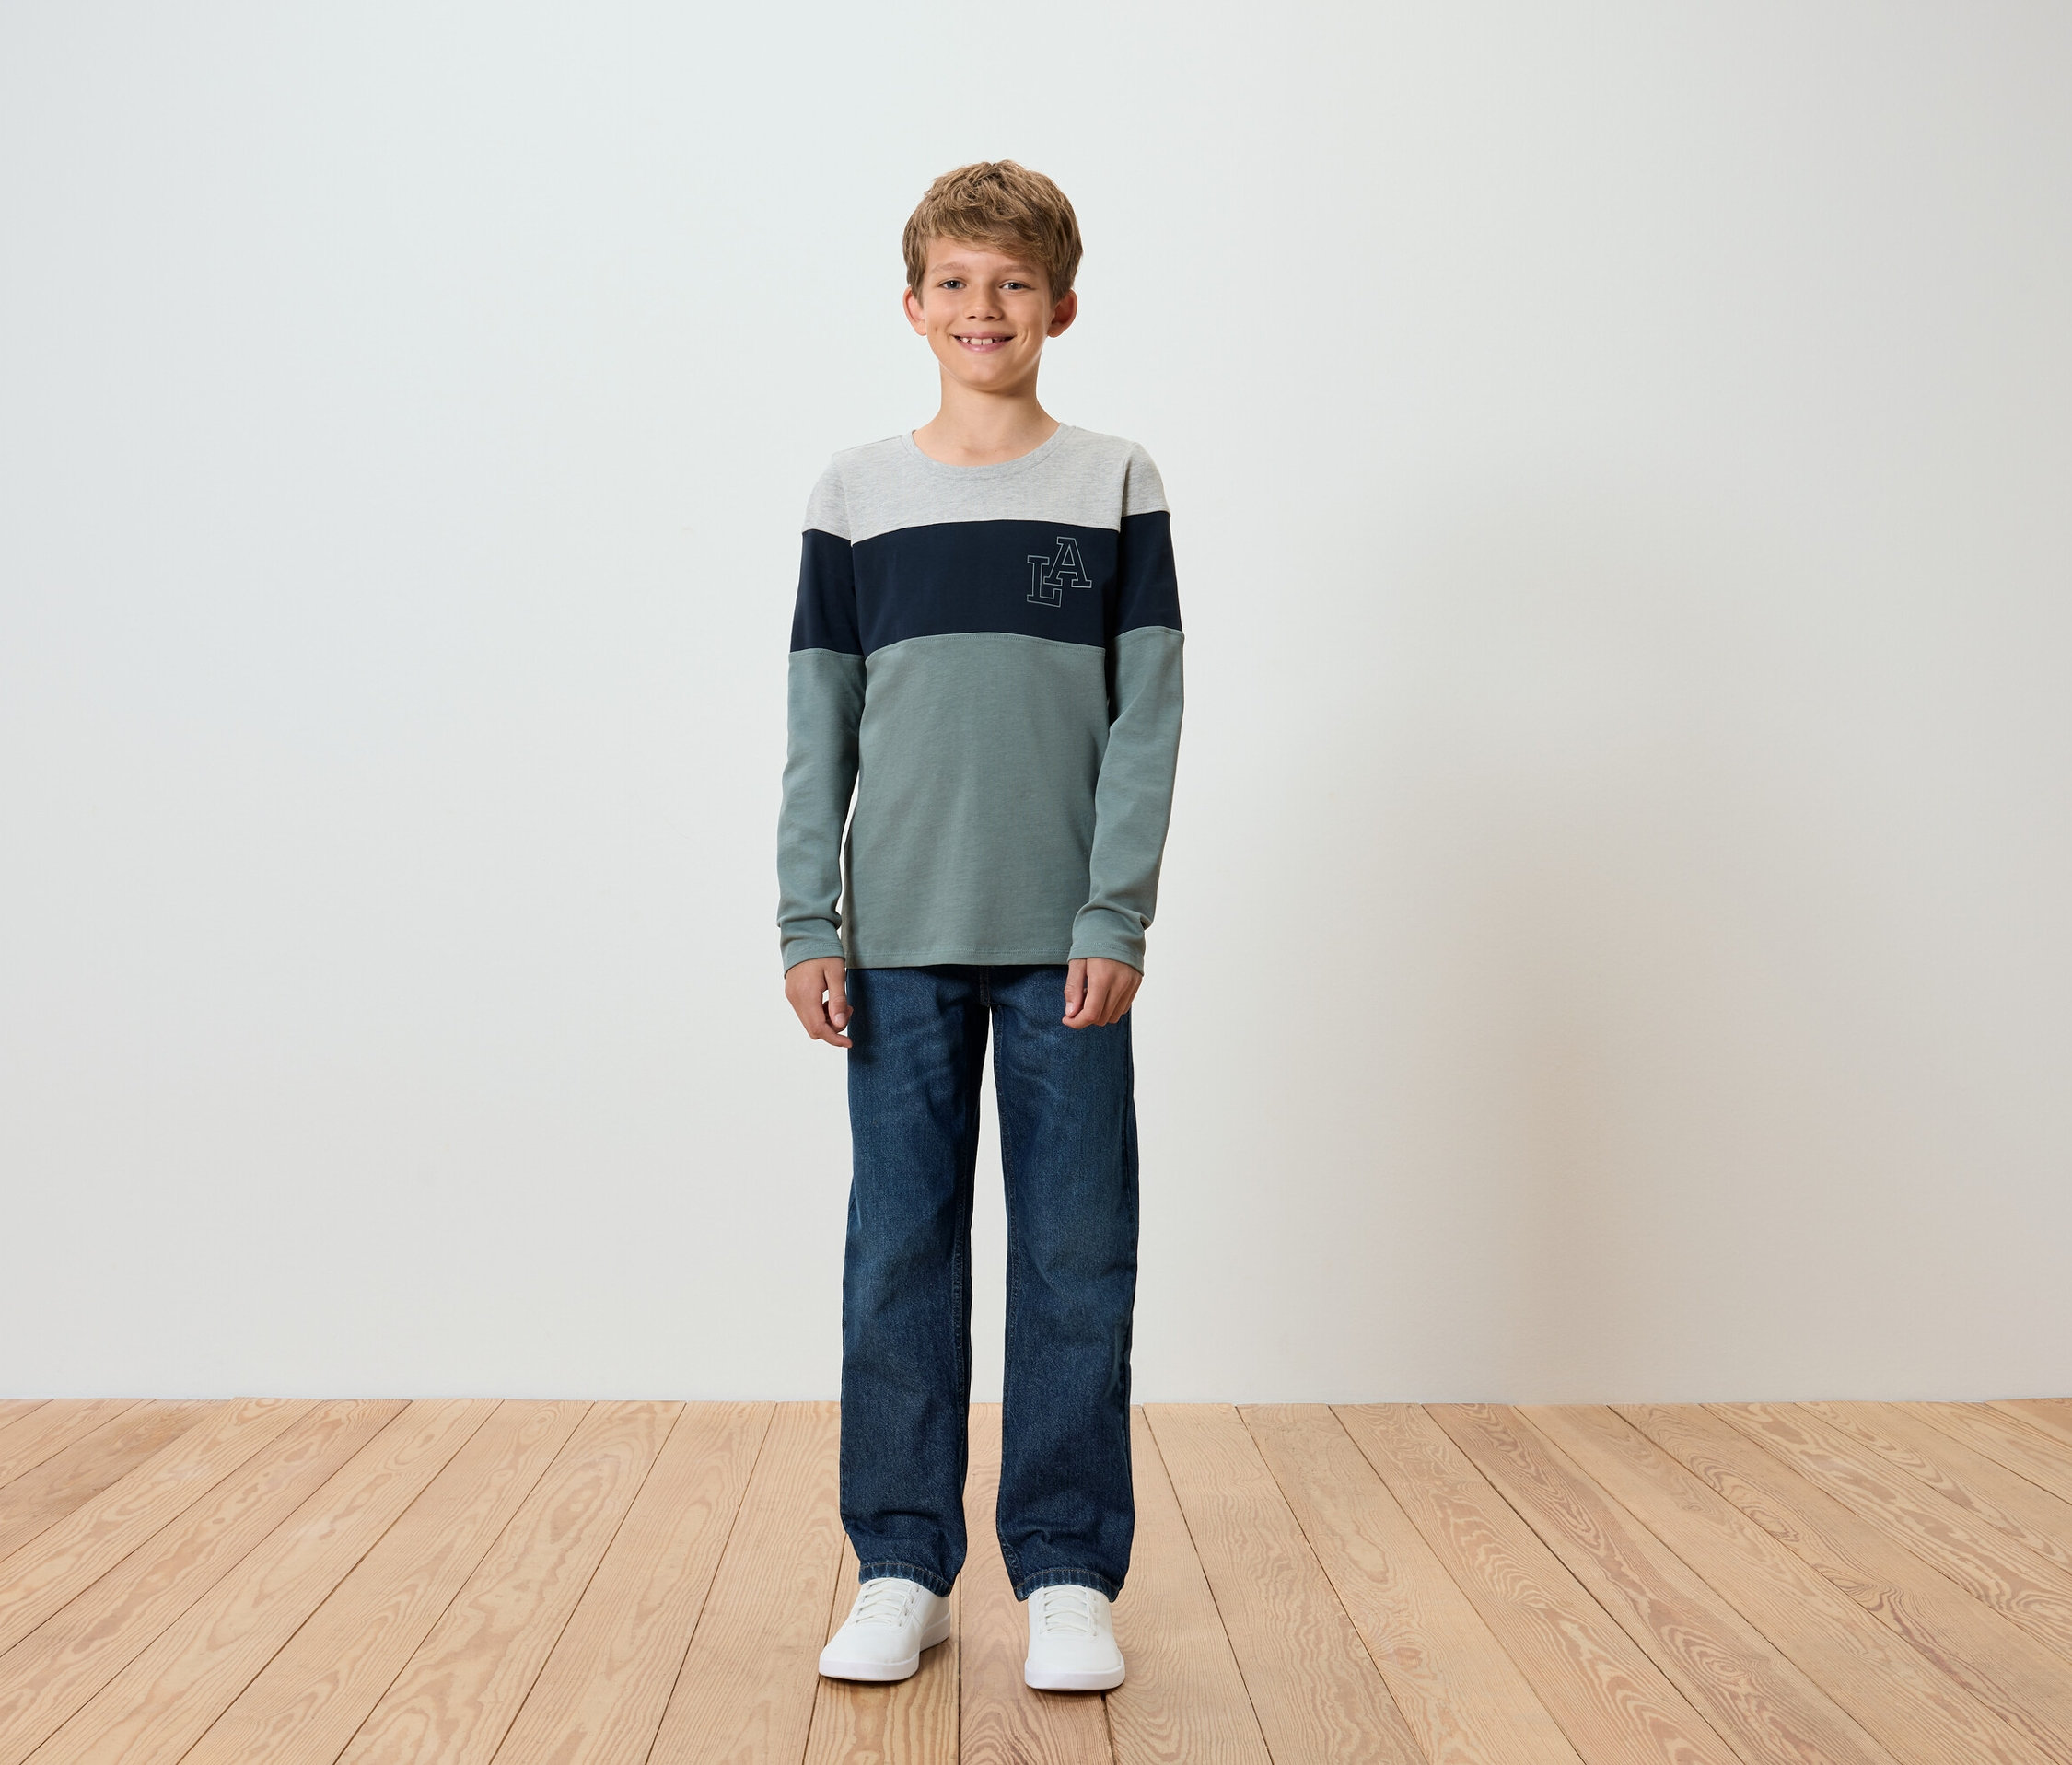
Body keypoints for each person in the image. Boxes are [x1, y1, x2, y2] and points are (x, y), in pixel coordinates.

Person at [776, 159, 1183, 1693]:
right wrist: (803, 915)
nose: (982, 308)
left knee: (1077, 1255)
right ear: (911, 305)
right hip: (890, 940)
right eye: (954, 281)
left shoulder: (1116, 481)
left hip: (1064, 941)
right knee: (898, 1249)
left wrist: (1114, 907)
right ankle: (899, 1564)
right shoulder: (854, 495)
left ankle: (1068, 1571)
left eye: (1011, 282)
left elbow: (1147, 717)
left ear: (1060, 304)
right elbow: (818, 725)